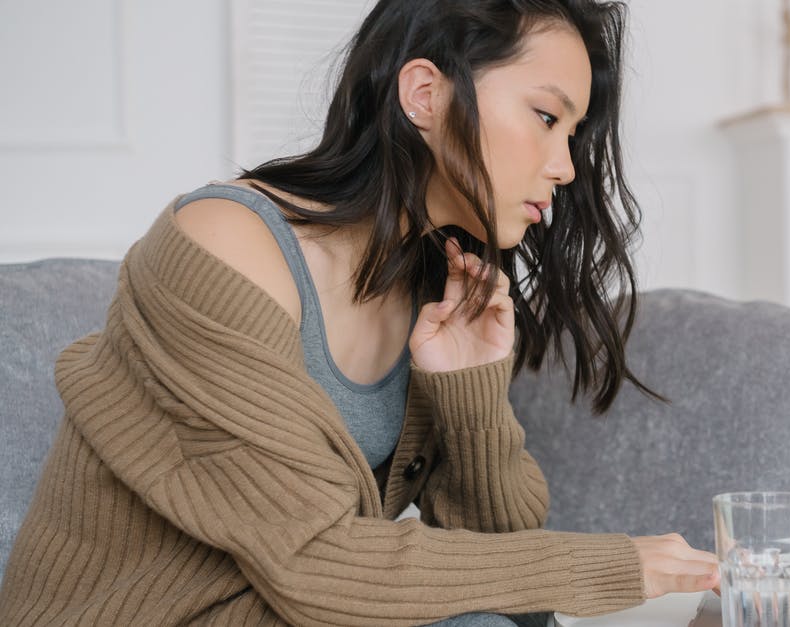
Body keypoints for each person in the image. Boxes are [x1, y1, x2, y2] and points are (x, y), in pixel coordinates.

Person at [0, 0, 724, 625]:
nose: (565, 166)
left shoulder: (433, 292)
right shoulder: (221, 245)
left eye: (571, 135)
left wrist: (469, 392)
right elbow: (314, 561)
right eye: (545, 116)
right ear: (424, 95)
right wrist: (616, 565)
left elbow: (509, 586)